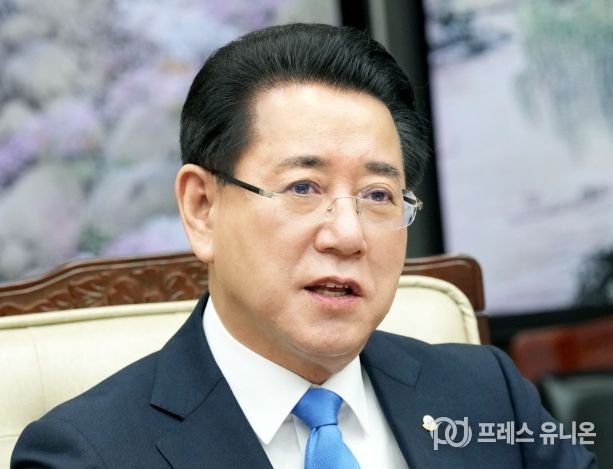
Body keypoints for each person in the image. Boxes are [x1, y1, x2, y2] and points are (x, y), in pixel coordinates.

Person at [11, 23, 596, 469]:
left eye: (378, 195)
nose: (347, 235)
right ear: (202, 208)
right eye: (303, 188)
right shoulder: (86, 454)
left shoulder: (487, 393)